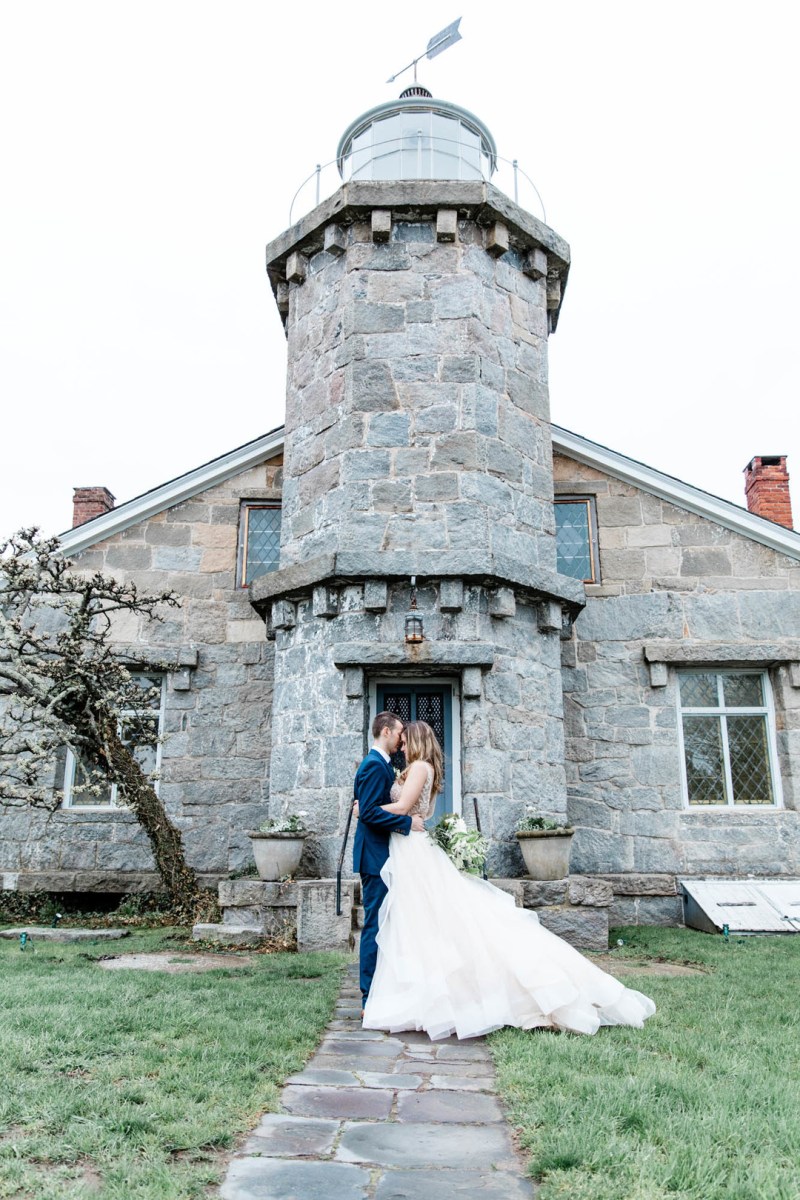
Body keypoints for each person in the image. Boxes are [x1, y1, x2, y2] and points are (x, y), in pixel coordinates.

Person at [362, 720, 656, 1039]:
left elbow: (404, 807)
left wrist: (365, 808)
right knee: (422, 923)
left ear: (417, 741)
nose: (402, 745)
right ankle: (422, 993)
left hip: (412, 849)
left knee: (438, 921)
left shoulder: (420, 767)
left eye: (406, 740)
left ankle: (448, 995)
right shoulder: (421, 768)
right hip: (407, 848)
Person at [352, 711, 425, 1011]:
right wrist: (407, 823)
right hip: (374, 855)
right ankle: (368, 996)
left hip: (384, 853)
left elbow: (366, 808)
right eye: (397, 733)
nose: (400, 739)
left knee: (387, 922)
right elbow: (368, 813)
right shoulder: (373, 765)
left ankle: (385, 988)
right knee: (375, 924)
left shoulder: (380, 764)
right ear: (385, 732)